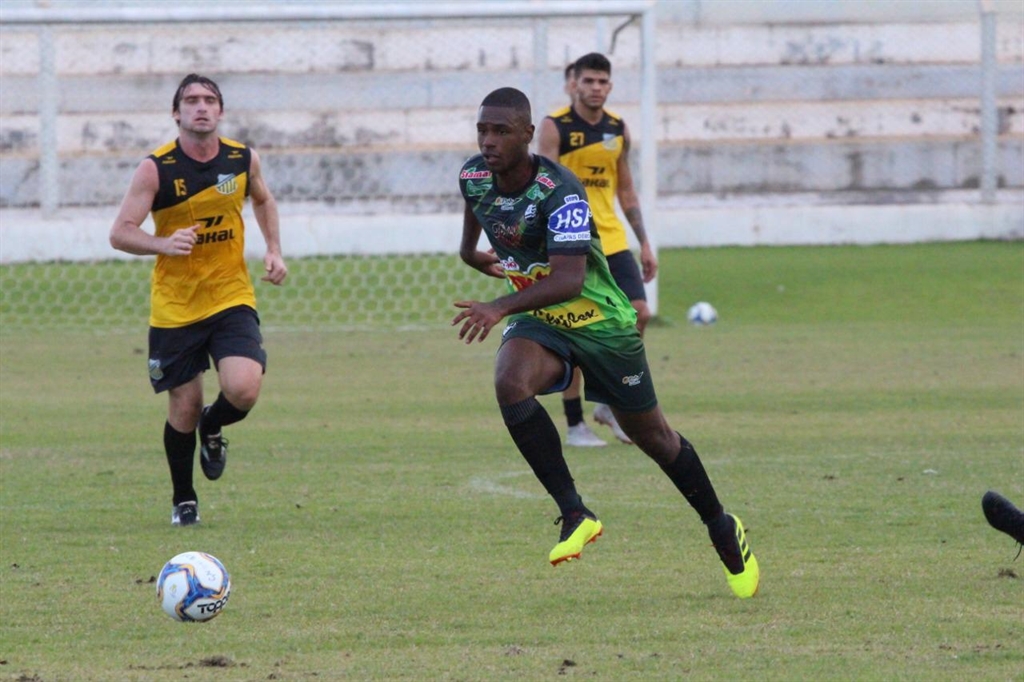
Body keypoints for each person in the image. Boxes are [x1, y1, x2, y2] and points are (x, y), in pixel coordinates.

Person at [453, 86, 759, 598]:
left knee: (653, 437)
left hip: (602, 324)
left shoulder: (560, 190)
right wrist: (479, 260)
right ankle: (575, 513)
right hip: (541, 318)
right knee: (510, 381)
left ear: (529, 135)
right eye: (483, 129)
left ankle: (720, 525)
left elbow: (570, 279)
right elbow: (472, 242)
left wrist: (499, 305)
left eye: (501, 131)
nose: (488, 141)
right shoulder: (473, 177)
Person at [110, 73, 287, 526]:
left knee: (244, 388)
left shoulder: (242, 158)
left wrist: (272, 249)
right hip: (176, 305)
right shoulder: (156, 168)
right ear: (176, 113)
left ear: (221, 111)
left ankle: (216, 424)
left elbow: (264, 201)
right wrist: (163, 243)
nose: (201, 107)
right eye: (191, 100)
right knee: (183, 407)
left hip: (230, 295)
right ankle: (183, 499)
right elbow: (121, 233)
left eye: (209, 99)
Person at [539, 52, 656, 448]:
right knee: (574, 331)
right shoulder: (555, 127)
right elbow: (544, 186)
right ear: (575, 83)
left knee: (639, 313)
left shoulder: (617, 128)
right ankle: (575, 425)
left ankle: (606, 402)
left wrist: (644, 242)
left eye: (602, 82)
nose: (596, 88)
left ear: (610, 85)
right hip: (574, 242)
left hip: (613, 238)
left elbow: (625, 188)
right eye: (588, 81)